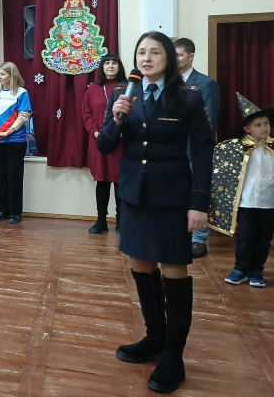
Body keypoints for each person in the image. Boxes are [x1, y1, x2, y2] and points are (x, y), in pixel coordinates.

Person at [97, 31, 213, 394]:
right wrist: (116, 119)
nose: (146, 58)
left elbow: (203, 152)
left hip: (173, 197)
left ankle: (173, 356)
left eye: (155, 52)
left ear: (169, 58)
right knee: (140, 266)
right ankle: (154, 338)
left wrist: (199, 204)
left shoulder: (188, 97)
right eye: (141, 52)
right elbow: (103, 146)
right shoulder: (123, 94)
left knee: (174, 269)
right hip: (134, 196)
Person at [215, 94, 273, 288]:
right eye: (258, 125)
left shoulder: (272, 148)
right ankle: (240, 268)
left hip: (269, 202)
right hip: (246, 202)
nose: (264, 128)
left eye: (266, 123)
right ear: (247, 129)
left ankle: (257, 270)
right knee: (245, 237)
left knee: (264, 238)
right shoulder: (235, 148)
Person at [173, 37, 220, 259]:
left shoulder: (205, 83)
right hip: (171, 152)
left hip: (194, 151)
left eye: (179, 54)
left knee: (197, 193)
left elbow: (209, 122)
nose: (175, 59)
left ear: (191, 56)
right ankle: (178, 234)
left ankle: (199, 239)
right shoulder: (167, 82)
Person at [81, 54, 127, 234]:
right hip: (99, 141)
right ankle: (101, 220)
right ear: (101, 67)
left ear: (119, 67)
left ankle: (121, 220)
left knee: (120, 181)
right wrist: (95, 132)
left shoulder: (128, 87)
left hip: (121, 142)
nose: (110, 66)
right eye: (107, 63)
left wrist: (122, 131)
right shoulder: (93, 89)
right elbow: (86, 113)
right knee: (102, 181)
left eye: (114, 63)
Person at [0, 62, 32, 224]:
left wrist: (8, 132)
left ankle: (15, 212)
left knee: (14, 176)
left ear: (12, 75)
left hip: (15, 140)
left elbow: (24, 115)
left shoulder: (21, 93)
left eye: (3, 74)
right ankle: (2, 210)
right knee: (0, 175)